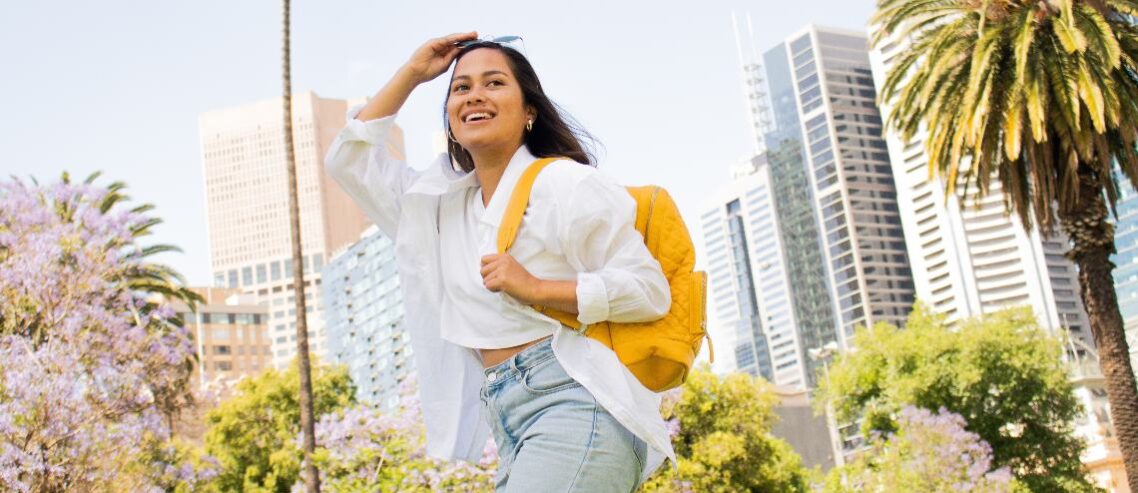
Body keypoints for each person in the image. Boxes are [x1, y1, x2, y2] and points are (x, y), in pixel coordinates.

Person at [324, 31, 675, 492]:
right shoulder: (437, 207)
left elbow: (649, 290)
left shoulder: (563, 184)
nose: (475, 96)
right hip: (508, 418)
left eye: (494, 83)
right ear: (450, 120)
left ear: (530, 110)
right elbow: (348, 160)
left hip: (578, 401)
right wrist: (412, 73)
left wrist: (537, 288)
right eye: (461, 88)